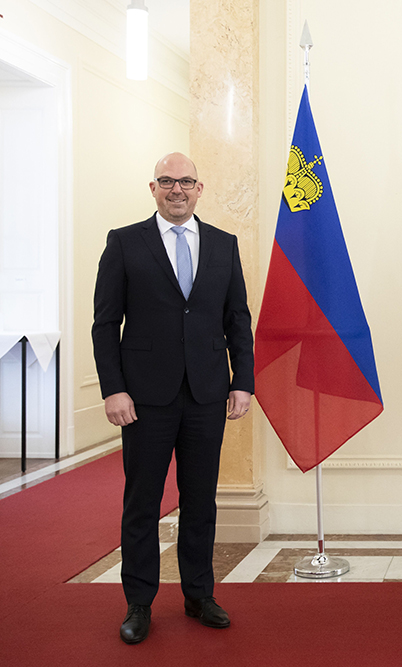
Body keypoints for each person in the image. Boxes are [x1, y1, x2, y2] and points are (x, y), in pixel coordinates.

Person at [93, 153, 254, 644]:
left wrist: (242, 381)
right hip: (144, 398)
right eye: (167, 181)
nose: (176, 189)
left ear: (199, 188)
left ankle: (199, 595)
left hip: (207, 393)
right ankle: (139, 603)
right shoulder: (124, 242)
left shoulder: (224, 244)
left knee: (200, 500)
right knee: (142, 502)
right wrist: (113, 388)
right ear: (153, 188)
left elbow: (237, 318)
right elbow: (105, 324)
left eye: (185, 181)